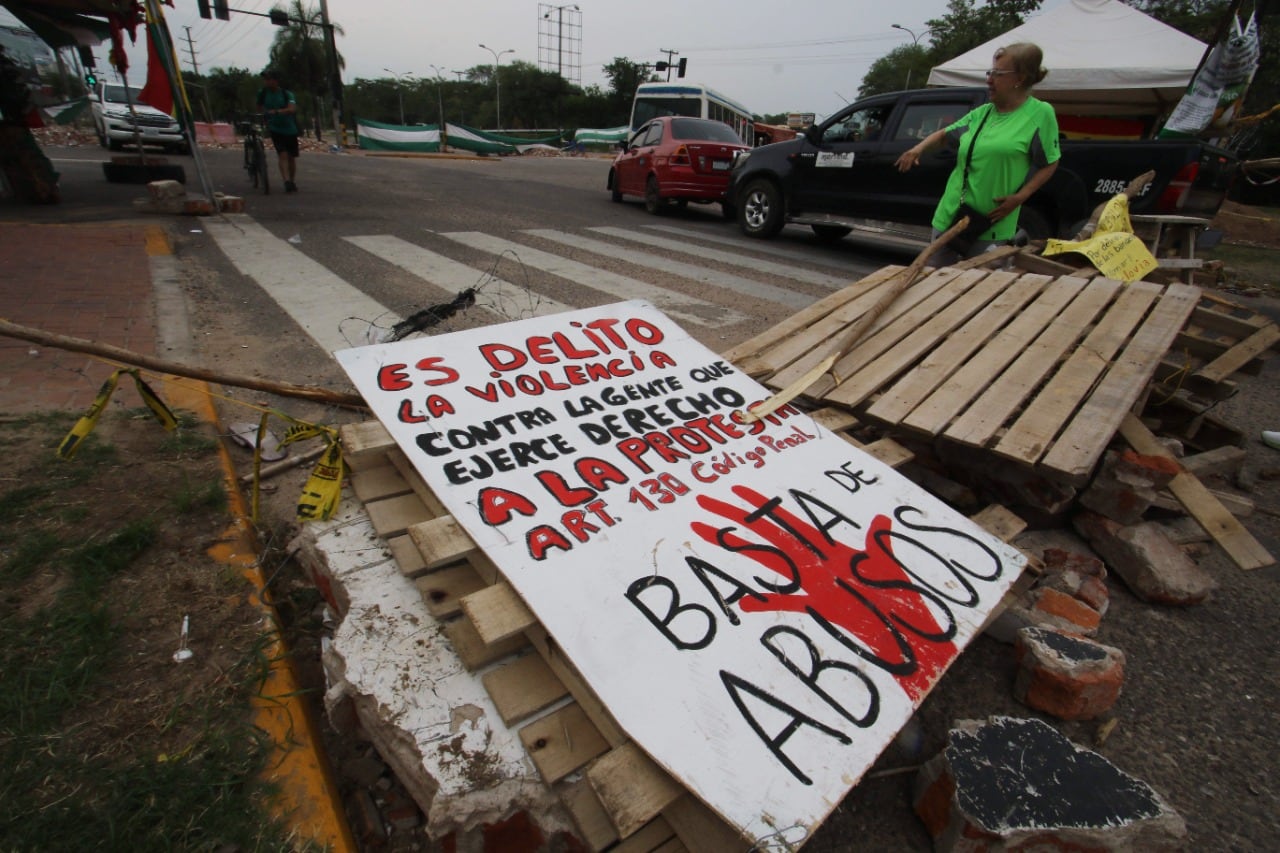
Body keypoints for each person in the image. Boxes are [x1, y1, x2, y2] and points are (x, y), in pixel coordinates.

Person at [895, 43, 1061, 265]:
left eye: (998, 74)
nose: (989, 80)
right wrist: (918, 149)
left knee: (975, 292)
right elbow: (945, 134)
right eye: (990, 72)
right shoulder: (982, 113)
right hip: (951, 218)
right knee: (931, 286)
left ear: (1019, 78)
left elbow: (1050, 162)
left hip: (993, 226)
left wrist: (1020, 197)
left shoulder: (1040, 114)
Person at [257, 69, 300, 192]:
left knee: (291, 157)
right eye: (265, 79)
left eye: (269, 79)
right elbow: (259, 107)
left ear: (276, 81)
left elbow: (292, 109)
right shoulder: (263, 93)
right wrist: (264, 115)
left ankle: (292, 181)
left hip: (290, 129)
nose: (266, 82)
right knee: (282, 154)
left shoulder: (287, 94)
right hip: (275, 128)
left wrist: (277, 112)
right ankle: (286, 181)